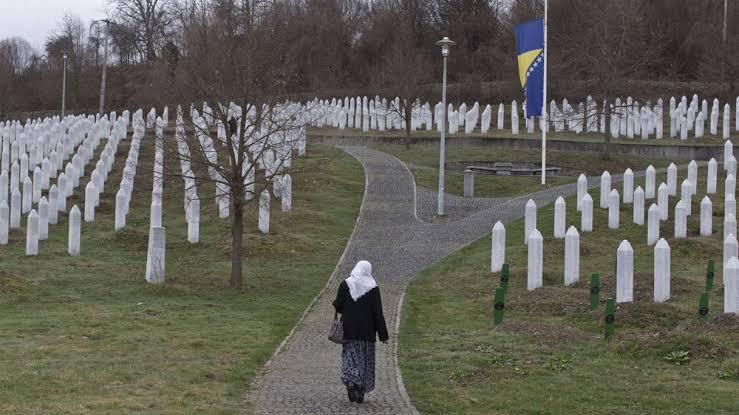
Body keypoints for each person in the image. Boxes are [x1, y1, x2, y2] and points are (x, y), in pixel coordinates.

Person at [332, 260, 389, 404]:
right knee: (364, 361)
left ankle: (351, 381)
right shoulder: (373, 288)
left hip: (349, 330)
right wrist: (383, 335)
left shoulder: (346, 284)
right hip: (367, 333)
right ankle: (361, 390)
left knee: (350, 357)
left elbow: (338, 306)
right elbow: (378, 314)